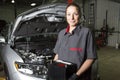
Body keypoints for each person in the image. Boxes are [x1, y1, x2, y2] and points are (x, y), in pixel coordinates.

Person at [53, 2, 97, 80]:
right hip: (62, 76)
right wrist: (53, 68)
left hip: (79, 77)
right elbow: (57, 55)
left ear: (79, 15)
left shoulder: (86, 32)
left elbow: (91, 58)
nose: (72, 18)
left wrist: (76, 75)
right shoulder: (61, 33)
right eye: (69, 14)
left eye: (75, 14)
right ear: (66, 16)